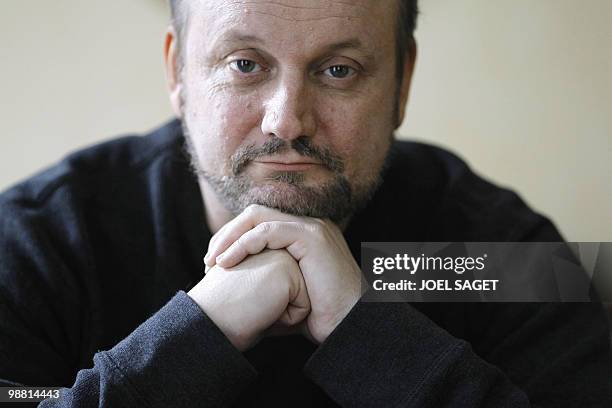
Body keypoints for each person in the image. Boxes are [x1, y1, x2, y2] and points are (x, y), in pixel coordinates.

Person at [0, 0, 611, 406]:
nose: (287, 121)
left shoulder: (501, 252)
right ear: (178, 74)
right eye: (244, 64)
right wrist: (194, 336)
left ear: (402, 82)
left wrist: (367, 331)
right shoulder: (40, 243)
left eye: (339, 70)